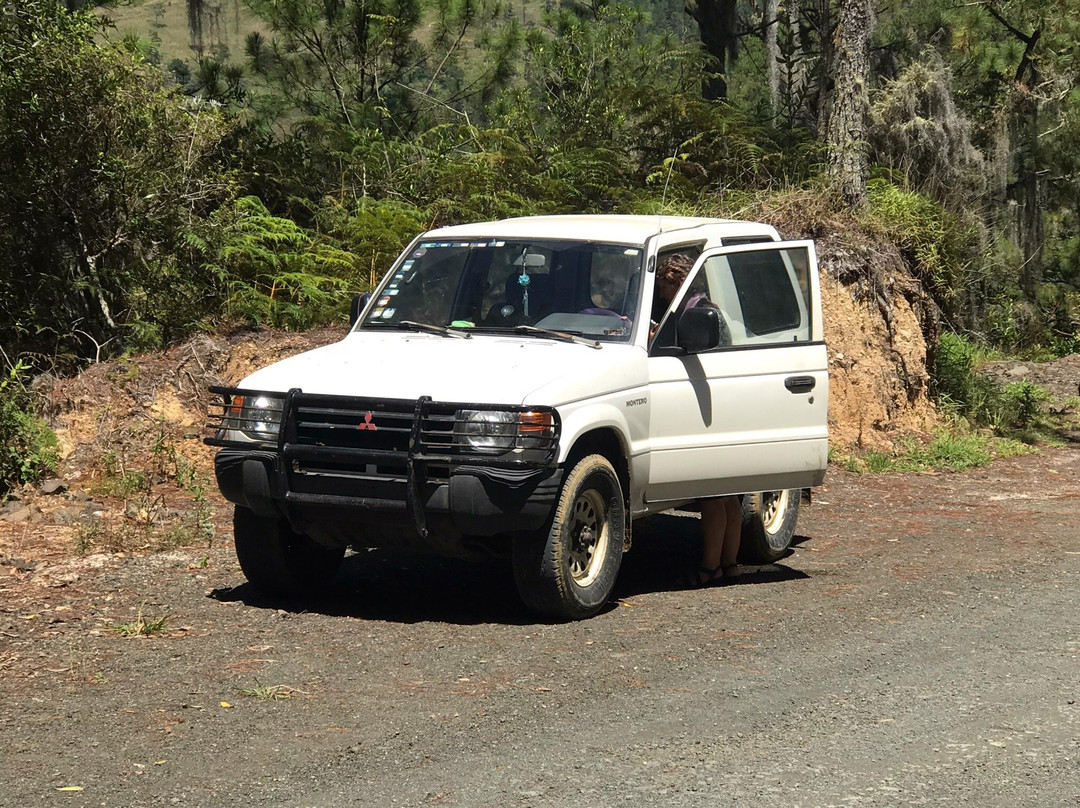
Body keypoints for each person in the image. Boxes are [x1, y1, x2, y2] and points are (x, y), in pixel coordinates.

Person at [651, 253, 742, 586]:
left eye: (662, 285)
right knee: (729, 494)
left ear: (675, 280)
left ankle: (710, 566)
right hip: (724, 406)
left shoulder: (702, 314)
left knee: (712, 495)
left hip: (713, 409)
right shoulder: (700, 309)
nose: (660, 294)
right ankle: (729, 563)